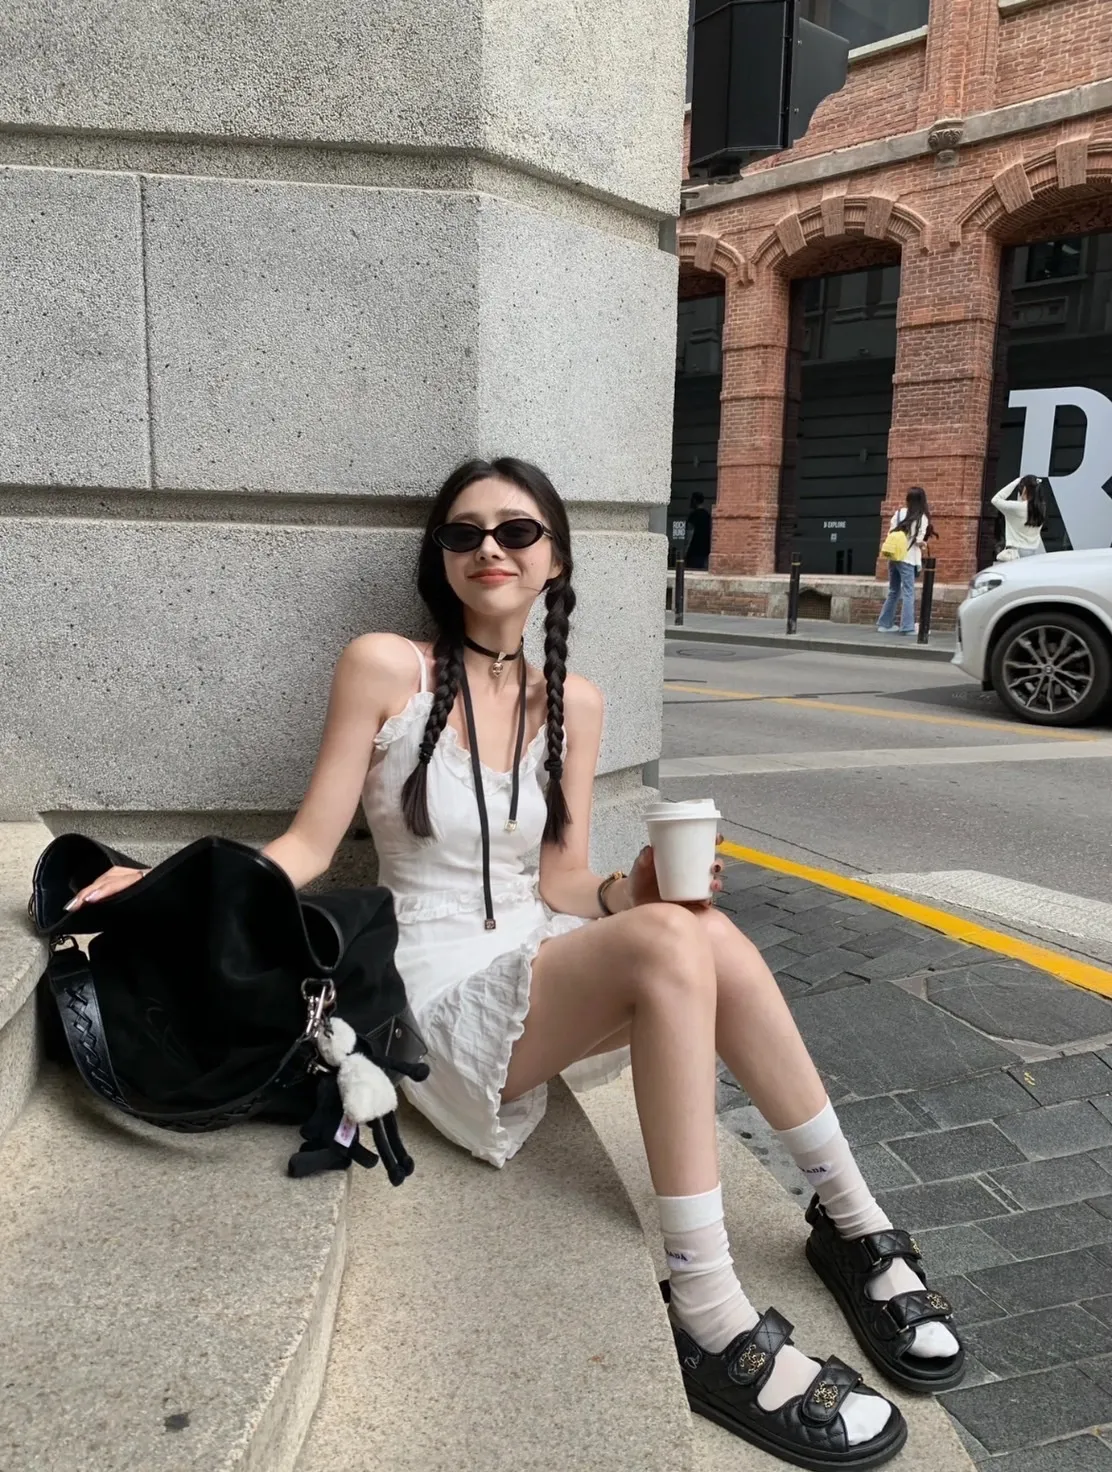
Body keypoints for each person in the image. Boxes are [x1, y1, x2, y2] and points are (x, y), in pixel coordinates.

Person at [66, 458, 963, 1469]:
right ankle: (709, 1311)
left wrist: (633, 889)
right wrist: (166, 885)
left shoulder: (574, 701)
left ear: (555, 558)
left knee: (699, 928)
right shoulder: (385, 668)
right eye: (463, 532)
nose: (488, 547)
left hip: (538, 957)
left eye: (516, 530)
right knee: (678, 939)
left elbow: (564, 880)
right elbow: (308, 845)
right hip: (431, 996)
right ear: (441, 559)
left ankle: (853, 1223)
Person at [876, 486, 931, 636]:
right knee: (908, 593)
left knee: (893, 591)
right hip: (908, 558)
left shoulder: (899, 513)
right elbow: (919, 540)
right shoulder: (922, 518)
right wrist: (924, 544)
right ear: (922, 500)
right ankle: (907, 627)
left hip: (894, 557)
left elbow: (891, 532)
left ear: (908, 499)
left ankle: (884, 624)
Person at [992, 474, 1047, 560]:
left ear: (1024, 489)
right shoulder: (1041, 508)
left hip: (1016, 552)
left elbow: (995, 500)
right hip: (1034, 551)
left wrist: (1015, 482)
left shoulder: (1018, 508)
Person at [685, 491, 712, 570]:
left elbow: (689, 534)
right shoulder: (707, 515)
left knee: (691, 571)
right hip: (705, 550)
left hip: (694, 551)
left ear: (694, 501)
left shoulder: (694, 515)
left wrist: (686, 550)